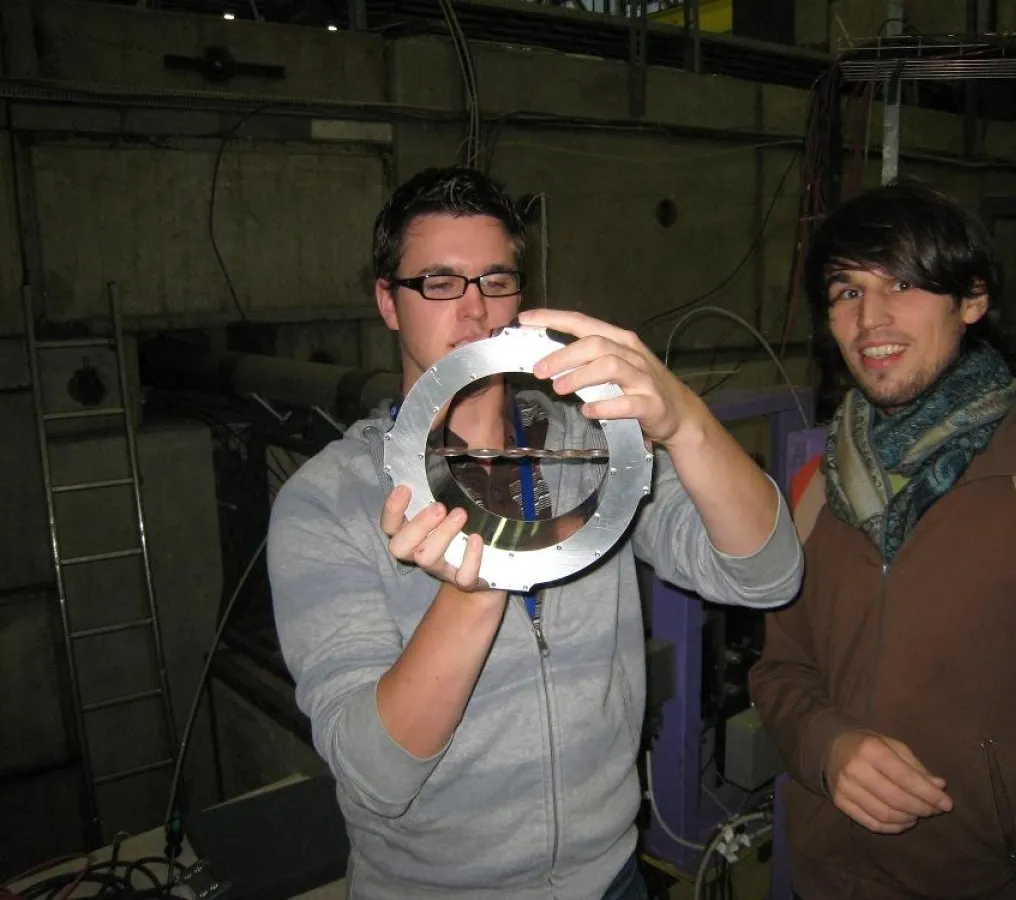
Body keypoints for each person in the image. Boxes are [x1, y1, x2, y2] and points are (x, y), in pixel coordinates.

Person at [267, 166, 803, 899]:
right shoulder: (326, 502)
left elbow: (767, 574)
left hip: (609, 877)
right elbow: (374, 775)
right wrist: (473, 593)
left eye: (496, 281)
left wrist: (683, 420)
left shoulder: (595, 450)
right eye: (440, 282)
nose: (475, 310)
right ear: (389, 303)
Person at [749, 181, 1016, 900]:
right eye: (846, 291)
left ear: (972, 300)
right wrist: (828, 746)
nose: (871, 318)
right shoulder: (814, 491)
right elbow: (780, 670)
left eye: (906, 284)